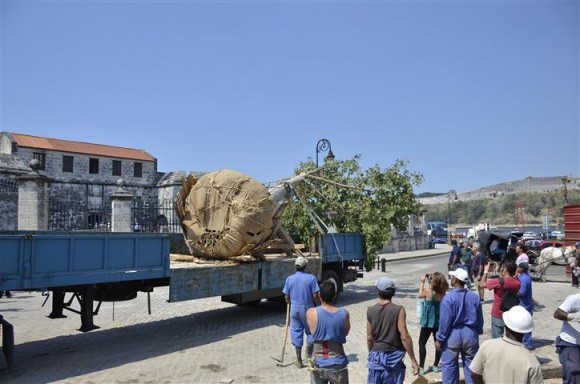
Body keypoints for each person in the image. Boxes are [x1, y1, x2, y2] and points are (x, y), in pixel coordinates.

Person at [469, 305, 543, 384]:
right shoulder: (531, 361)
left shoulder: (487, 346)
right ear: (525, 331)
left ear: (505, 325)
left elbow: (475, 374)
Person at [367, 276, 420, 383]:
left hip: (375, 359)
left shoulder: (370, 310)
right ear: (393, 292)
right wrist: (413, 360)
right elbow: (404, 337)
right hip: (393, 359)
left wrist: (372, 354)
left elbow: (369, 337)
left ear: (378, 291)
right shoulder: (399, 310)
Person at [435, 268, 483, 384]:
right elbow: (480, 319)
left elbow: (445, 322)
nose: (451, 279)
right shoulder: (475, 297)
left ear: (455, 280)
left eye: (452, 277)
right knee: (471, 367)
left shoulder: (448, 299)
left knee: (449, 367)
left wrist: (440, 339)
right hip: (470, 334)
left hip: (453, 335)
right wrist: (478, 332)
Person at [306, 280, 350, 384]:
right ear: (334, 295)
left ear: (319, 295)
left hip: (318, 363)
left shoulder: (310, 313)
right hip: (338, 363)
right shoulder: (344, 313)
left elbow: (312, 332)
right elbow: (345, 332)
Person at [283, 256, 321, 368]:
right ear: (305, 266)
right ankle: (308, 356)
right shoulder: (311, 278)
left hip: (294, 309)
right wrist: (318, 304)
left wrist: (289, 300)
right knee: (311, 332)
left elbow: (286, 296)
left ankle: (298, 360)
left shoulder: (289, 279)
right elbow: (315, 295)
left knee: (296, 331)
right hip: (308, 309)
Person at [417, 272, 448, 375]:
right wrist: (432, 279)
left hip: (427, 323)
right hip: (438, 322)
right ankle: (435, 365)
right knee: (438, 344)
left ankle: (421, 368)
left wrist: (422, 282)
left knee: (422, 343)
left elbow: (419, 295)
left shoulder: (428, 292)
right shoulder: (442, 293)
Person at [481, 260, 520, 338]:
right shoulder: (517, 283)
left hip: (498, 312)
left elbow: (482, 284)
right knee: (510, 337)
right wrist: (500, 272)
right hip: (510, 312)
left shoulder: (497, 281)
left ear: (505, 269)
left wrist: (486, 271)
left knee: (497, 338)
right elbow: (506, 280)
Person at [553, 293, 580, 383]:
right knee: (573, 375)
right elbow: (557, 313)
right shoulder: (575, 299)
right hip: (571, 343)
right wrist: (574, 317)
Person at [516, 261, 534, 349]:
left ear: (521, 269)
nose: (517, 268)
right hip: (527, 304)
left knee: (524, 324)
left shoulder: (523, 279)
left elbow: (522, 293)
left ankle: (526, 343)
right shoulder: (526, 277)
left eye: (518, 267)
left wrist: (512, 292)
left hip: (524, 305)